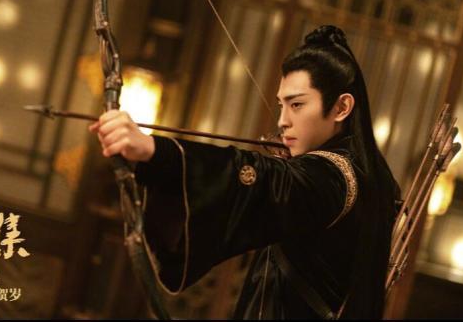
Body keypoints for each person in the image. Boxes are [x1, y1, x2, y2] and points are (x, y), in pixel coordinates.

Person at [88, 25, 401, 319]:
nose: (282, 121)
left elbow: (273, 182)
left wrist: (155, 151)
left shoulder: (337, 176)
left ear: (342, 108)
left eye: (296, 105)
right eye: (281, 106)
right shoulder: (365, 174)